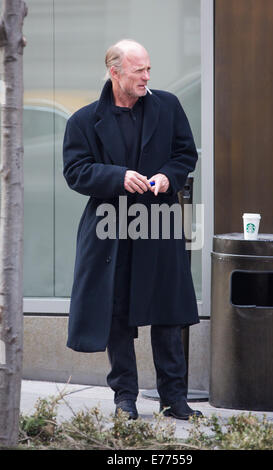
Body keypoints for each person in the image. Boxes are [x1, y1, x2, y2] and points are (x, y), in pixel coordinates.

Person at [63, 39, 203, 420]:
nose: (147, 77)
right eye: (139, 70)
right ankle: (124, 398)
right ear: (115, 73)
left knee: (168, 313)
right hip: (111, 228)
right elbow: (76, 172)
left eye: (148, 69)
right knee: (117, 316)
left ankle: (174, 399)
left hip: (158, 223)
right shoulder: (83, 121)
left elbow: (184, 154)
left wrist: (166, 178)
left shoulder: (168, 106)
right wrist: (119, 177)